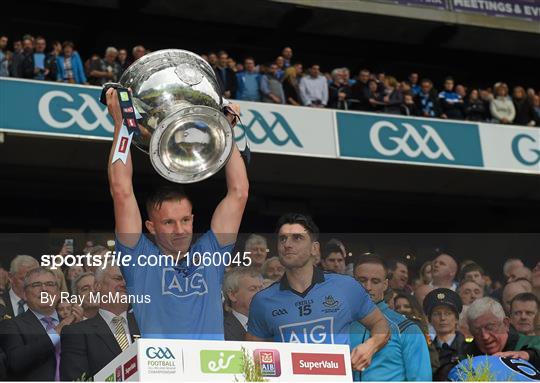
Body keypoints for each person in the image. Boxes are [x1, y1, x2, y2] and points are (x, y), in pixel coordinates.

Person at [106, 87, 248, 340]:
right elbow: (121, 191)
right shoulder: (139, 260)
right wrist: (121, 124)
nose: (180, 230)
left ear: (193, 219)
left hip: (212, 372)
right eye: (168, 223)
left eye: (185, 220)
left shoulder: (210, 254)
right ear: (150, 227)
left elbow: (239, 192)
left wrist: (226, 131)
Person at [247, 213, 390, 373]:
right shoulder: (263, 300)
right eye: (283, 239)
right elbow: (253, 361)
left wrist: (370, 346)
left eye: (297, 238)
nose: (287, 244)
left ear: (314, 248)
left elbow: (380, 324)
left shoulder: (346, 287)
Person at [351, 257, 431, 381]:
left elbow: (421, 379)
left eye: (375, 281)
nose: (368, 287)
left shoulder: (407, 328)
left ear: (385, 285)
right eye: (362, 280)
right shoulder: (340, 324)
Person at [60, 265, 140, 381]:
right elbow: (75, 379)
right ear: (98, 286)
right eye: (118, 279)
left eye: (128, 280)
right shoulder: (76, 333)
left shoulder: (147, 325)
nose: (124, 284)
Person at [0, 268, 81, 380]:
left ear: (58, 293)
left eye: (50, 284)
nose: (44, 289)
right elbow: (16, 362)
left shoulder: (74, 323)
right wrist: (57, 332)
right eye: (36, 285)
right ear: (24, 294)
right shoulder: (11, 325)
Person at [463, 297, 540, 368]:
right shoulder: (465, 354)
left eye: (490, 327)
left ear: (505, 324)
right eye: (477, 330)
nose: (485, 336)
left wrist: (528, 355)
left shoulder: (531, 342)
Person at [423, 288, 467, 381]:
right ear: (430, 320)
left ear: (456, 319)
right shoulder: (426, 350)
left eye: (448, 313)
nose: (442, 318)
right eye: (436, 314)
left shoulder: (468, 347)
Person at [222, 267, 263, 341]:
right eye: (252, 289)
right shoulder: (220, 329)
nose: (260, 294)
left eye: (261, 289)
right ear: (232, 295)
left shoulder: (272, 324)